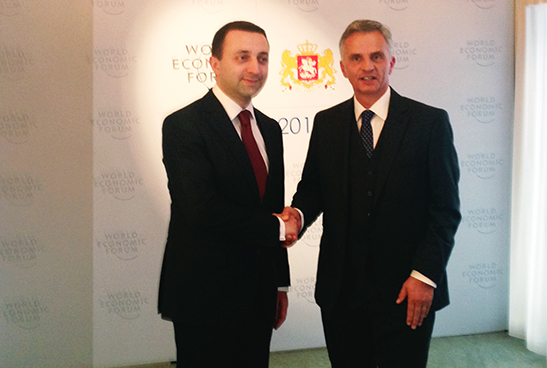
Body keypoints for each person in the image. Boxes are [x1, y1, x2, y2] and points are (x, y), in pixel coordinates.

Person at [279, 19, 461, 367]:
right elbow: (312, 189)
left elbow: (446, 210)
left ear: (391, 62)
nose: (368, 67)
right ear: (343, 67)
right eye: (357, 58)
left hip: (407, 293)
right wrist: (298, 216)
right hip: (341, 293)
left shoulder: (429, 123)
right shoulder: (326, 123)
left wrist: (424, 276)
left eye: (376, 56)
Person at [158, 21, 297, 367]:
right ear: (215, 64)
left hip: (259, 295)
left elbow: (273, 207)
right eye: (243, 57)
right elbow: (200, 208)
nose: (255, 68)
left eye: (263, 58)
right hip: (204, 297)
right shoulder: (183, 126)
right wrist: (278, 229)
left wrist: (279, 284)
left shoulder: (269, 128)